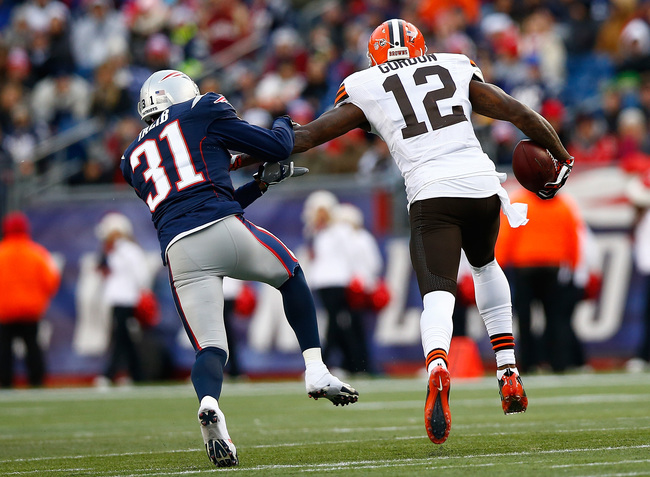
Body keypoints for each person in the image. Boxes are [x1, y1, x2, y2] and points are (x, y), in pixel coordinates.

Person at [232, 19, 574, 445]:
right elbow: (519, 112)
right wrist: (562, 158)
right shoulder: (453, 65)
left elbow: (308, 137)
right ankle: (508, 369)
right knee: (486, 266)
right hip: (482, 184)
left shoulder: (366, 84)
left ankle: (436, 364)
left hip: (432, 192)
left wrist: (238, 158)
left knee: (437, 293)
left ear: (375, 54)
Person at [120, 70, 358, 467]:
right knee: (291, 274)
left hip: (179, 251)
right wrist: (284, 119)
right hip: (222, 228)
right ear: (182, 93)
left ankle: (210, 403)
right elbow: (279, 146)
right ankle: (315, 369)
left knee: (210, 348)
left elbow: (193, 197)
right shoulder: (202, 107)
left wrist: (259, 185)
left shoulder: (131, 158)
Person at [496, 188, 585, 373]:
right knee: (555, 318)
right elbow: (573, 238)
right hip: (552, 267)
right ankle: (558, 362)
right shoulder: (563, 205)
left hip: (525, 268)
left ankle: (529, 363)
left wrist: (499, 263)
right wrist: (574, 265)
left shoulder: (520, 201)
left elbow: (506, 235)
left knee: (526, 318)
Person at [0, 211, 60, 388]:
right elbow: (51, 281)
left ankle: (5, 382)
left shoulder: (1, 253)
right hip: (30, 310)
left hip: (5, 311)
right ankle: (37, 381)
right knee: (32, 347)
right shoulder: (36, 253)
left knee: (4, 350)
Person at [94, 212, 151, 385]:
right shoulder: (115, 251)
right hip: (120, 300)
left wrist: (140, 293)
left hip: (125, 300)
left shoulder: (127, 250)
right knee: (125, 339)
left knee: (119, 338)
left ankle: (109, 374)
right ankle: (138, 374)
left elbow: (141, 276)